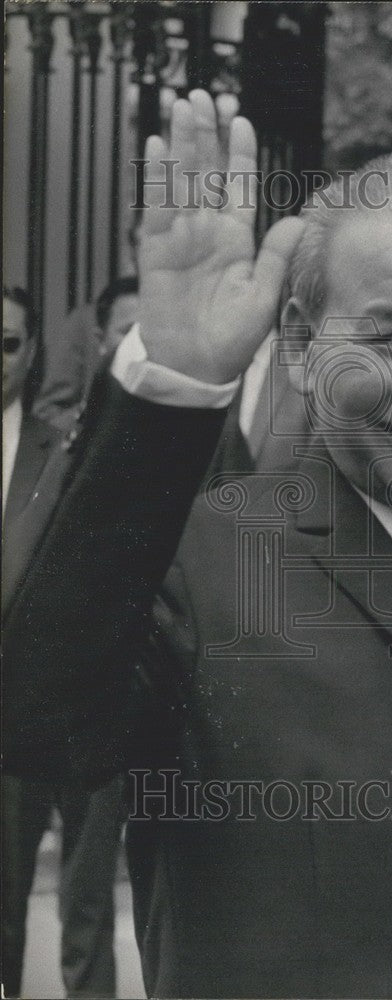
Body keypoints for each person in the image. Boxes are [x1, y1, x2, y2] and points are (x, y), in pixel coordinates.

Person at [4, 92, 392, 999]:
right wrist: (174, 386)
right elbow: (37, 723)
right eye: (387, 339)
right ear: (303, 346)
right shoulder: (196, 567)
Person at [2, 287, 124, 999]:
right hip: (4, 702)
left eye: (10, 342)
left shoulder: (64, 443)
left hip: (76, 696)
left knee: (85, 904)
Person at [33, 219, 142, 428]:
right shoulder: (85, 321)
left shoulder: (193, 324)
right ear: (133, 247)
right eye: (145, 244)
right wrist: (97, 418)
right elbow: (46, 415)